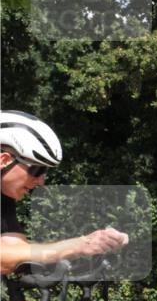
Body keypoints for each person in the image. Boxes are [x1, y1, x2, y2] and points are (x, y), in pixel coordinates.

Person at [1, 110, 128, 281]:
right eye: (37, 170)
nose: (41, 182)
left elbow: (16, 251)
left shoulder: (5, 195)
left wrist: (96, 244)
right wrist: (79, 245)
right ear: (4, 160)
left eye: (45, 172)